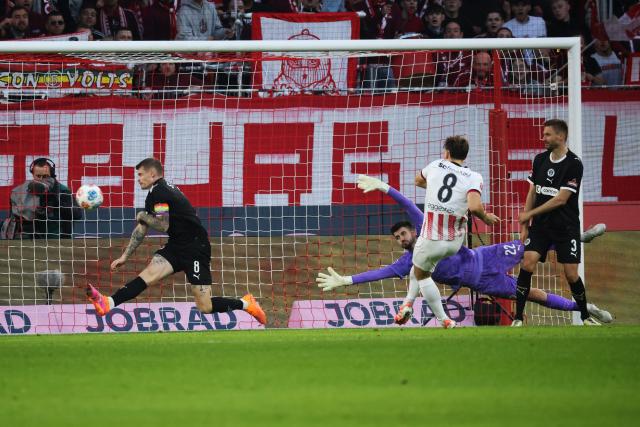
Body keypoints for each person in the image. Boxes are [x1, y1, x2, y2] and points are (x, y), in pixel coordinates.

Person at [316, 175, 611, 325]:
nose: (401, 239)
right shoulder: (410, 261)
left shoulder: (425, 226)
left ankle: (578, 237)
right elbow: (379, 273)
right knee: (532, 295)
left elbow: (407, 203)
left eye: (402, 233)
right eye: (397, 238)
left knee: (532, 246)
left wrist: (383, 187)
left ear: (412, 230)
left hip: (486, 256)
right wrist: (347, 280)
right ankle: (585, 308)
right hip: (484, 282)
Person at [86, 158, 266, 325]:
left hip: (196, 247)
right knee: (147, 276)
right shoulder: (154, 194)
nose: (138, 179)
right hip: (176, 245)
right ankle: (108, 302)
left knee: (205, 306)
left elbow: (163, 225)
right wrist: (125, 255)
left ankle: (246, 303)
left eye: (140, 174)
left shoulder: (161, 192)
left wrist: (142, 215)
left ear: (153, 174)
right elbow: (142, 227)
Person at [513, 119, 599, 326]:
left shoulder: (574, 164)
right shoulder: (540, 159)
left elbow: (561, 199)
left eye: (547, 135)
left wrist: (529, 214)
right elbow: (532, 192)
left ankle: (585, 317)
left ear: (561, 136)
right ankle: (517, 318)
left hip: (566, 227)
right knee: (527, 262)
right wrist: (525, 224)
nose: (543, 138)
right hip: (541, 227)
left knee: (571, 274)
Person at [1, 158, 83, 240]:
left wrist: (54, 199)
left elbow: (77, 215)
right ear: (33, 175)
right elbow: (12, 219)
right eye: (38, 176)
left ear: (51, 174)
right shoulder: (21, 192)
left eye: (45, 176)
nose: (41, 179)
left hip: (57, 241)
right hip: (31, 241)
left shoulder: (63, 191)